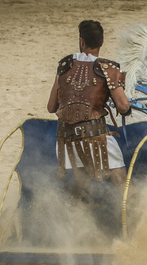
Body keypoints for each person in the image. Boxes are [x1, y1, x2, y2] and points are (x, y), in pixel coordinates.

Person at [47, 20, 132, 195]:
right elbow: (123, 106)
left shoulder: (64, 66)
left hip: (66, 144)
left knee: (81, 192)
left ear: (81, 41)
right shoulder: (109, 68)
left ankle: (81, 213)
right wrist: (127, 106)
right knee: (123, 185)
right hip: (96, 141)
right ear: (102, 42)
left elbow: (50, 107)